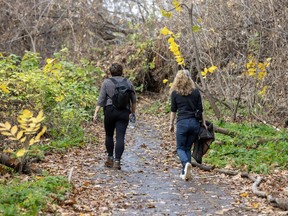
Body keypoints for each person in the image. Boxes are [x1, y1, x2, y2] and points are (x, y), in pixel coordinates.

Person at [93, 63, 137, 170]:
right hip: (124, 112)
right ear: (122, 71)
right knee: (120, 137)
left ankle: (110, 158)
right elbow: (134, 100)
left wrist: (95, 113)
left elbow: (101, 99)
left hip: (109, 111)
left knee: (109, 135)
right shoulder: (128, 82)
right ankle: (117, 162)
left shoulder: (107, 82)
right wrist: (132, 113)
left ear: (110, 72)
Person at [169, 69, 207, 180]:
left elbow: (173, 111)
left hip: (182, 123)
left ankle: (186, 164)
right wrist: (203, 123)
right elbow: (201, 109)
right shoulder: (195, 92)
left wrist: (171, 124)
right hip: (194, 123)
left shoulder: (175, 93)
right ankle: (185, 173)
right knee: (187, 148)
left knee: (180, 148)